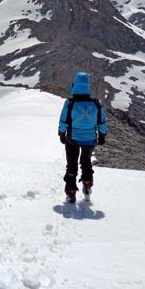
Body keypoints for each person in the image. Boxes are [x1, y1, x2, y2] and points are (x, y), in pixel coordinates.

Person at [57, 72, 108, 203]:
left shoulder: (69, 103)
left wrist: (61, 134)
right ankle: (87, 184)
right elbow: (102, 122)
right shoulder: (97, 103)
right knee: (86, 162)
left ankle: (71, 192)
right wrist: (102, 136)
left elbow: (64, 121)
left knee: (71, 165)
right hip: (90, 140)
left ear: (74, 86)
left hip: (72, 139)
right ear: (88, 86)